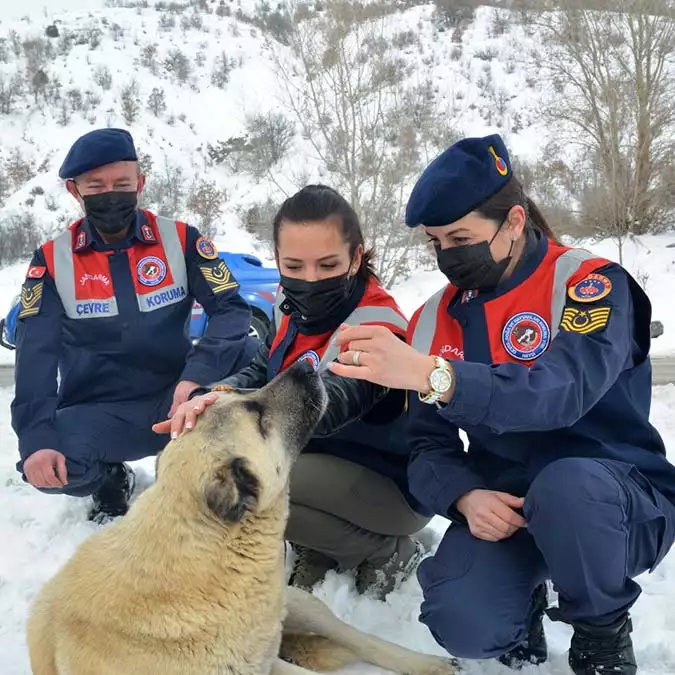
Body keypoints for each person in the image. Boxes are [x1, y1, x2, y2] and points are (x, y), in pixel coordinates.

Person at [328, 134, 675, 674]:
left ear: (513, 221)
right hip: (512, 507)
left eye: (461, 237)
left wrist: (437, 375)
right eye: (435, 241)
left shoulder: (587, 284)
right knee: (462, 618)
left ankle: (602, 633)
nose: (448, 255)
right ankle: (521, 604)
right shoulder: (431, 321)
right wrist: (464, 495)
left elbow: (561, 393)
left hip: (616, 500)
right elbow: (426, 447)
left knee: (568, 487)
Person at [157, 185, 432, 598]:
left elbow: (331, 404)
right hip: (324, 465)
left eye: (327, 265)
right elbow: (261, 366)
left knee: (250, 484)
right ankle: (321, 545)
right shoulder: (291, 302)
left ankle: (385, 551)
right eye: (294, 265)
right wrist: (212, 394)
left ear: (356, 258)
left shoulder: (378, 323)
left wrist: (230, 417)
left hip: (390, 481)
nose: (310, 280)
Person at [11, 128, 257, 523]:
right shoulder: (53, 260)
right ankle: (110, 477)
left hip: (178, 397)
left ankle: (203, 469)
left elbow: (231, 310)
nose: (111, 194)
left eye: (122, 183)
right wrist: (37, 439)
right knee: (51, 457)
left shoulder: (180, 240)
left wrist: (195, 377)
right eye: (97, 185)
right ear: (75, 191)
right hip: (100, 413)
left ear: (140, 184)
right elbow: (35, 353)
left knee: (251, 355)